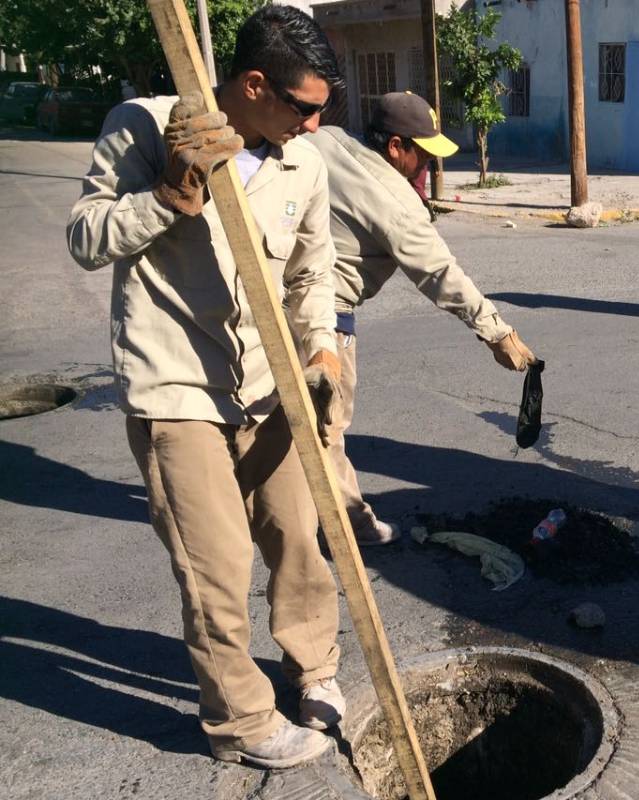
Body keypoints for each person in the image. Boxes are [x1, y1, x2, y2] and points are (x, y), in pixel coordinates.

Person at [66, 5, 348, 767]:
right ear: (255, 85)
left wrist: (320, 349)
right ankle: (242, 723)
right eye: (309, 108)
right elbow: (86, 238)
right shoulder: (151, 125)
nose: (318, 125)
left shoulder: (304, 163)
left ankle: (314, 667)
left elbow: (311, 273)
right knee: (215, 566)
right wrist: (167, 196)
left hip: (269, 385)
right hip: (178, 390)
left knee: (298, 539)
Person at [305, 91, 536, 545]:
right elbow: (439, 273)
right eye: (423, 155)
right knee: (326, 428)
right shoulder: (395, 201)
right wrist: (497, 333)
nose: (429, 166)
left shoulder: (327, 141)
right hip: (325, 318)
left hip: (272, 300)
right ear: (395, 147)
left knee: (280, 421)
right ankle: (347, 529)